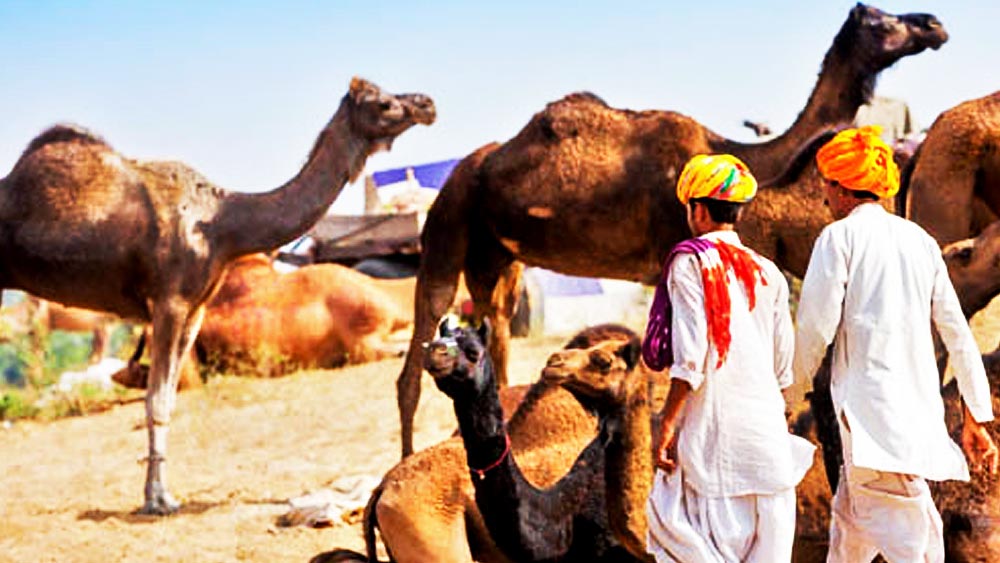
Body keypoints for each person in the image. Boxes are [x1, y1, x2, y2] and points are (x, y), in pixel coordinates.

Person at [793, 125, 1000, 562]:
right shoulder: (920, 242)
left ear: (839, 186)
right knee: (853, 528)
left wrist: (787, 396)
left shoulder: (838, 238)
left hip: (869, 415)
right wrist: (975, 415)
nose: (824, 197)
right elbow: (957, 332)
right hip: (911, 409)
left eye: (826, 186)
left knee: (910, 539)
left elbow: (815, 328)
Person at [643, 154, 815, 563]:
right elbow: (783, 365)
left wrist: (667, 423)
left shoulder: (691, 262)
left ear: (698, 210)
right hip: (769, 447)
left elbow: (691, 356)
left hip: (715, 447)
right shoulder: (768, 272)